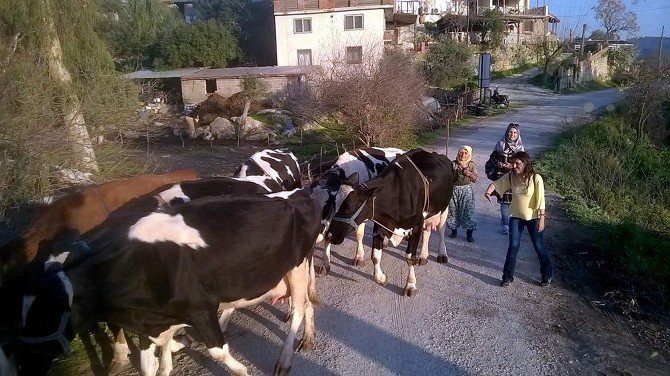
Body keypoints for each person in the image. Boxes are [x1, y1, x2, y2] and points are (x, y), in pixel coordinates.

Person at [484, 151, 553, 287]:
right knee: (513, 246)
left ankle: (547, 275)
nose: (514, 166)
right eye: (513, 163)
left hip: (533, 218)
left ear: (525, 164)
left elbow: (541, 200)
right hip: (516, 217)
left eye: (517, 163)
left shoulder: (536, 178)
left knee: (539, 247)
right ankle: (507, 277)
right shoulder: (511, 177)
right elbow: (496, 184)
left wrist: (542, 218)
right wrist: (488, 192)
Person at [487, 123, 524, 235]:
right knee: (504, 201)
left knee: (516, 200)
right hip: (501, 176)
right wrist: (498, 162)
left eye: (515, 132)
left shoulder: (520, 148)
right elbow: (492, 156)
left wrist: (512, 166)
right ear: (507, 132)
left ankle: (515, 222)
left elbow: (523, 163)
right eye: (510, 132)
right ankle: (505, 225)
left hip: (515, 177)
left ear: (518, 134)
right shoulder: (500, 144)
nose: (512, 134)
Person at [447, 146, 478, 242]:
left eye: (465, 153)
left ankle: (469, 234)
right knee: (453, 211)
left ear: (469, 154)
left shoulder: (471, 165)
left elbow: (475, 179)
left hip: (466, 191)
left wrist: (469, 173)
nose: (463, 155)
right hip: (454, 190)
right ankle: (453, 231)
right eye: (461, 152)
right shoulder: (453, 164)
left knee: (468, 212)